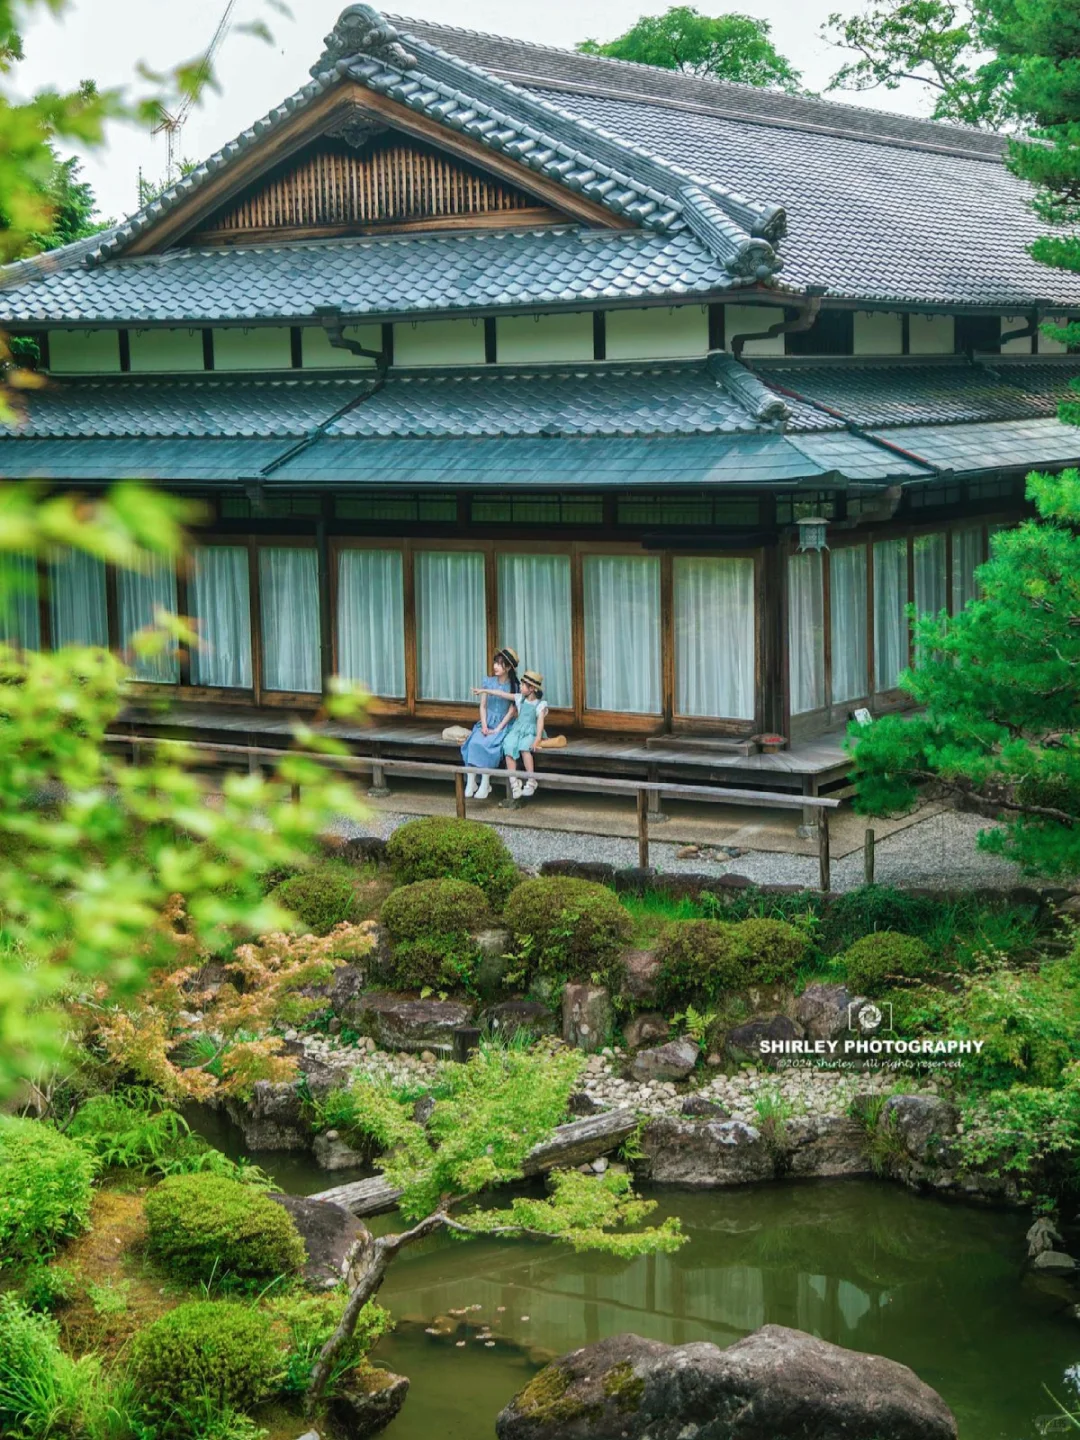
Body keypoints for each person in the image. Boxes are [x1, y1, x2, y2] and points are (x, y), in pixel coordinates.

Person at [476, 669, 547, 802]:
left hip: (530, 731)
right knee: (508, 746)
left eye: (523, 685)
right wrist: (485, 691)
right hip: (517, 730)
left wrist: (537, 738)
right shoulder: (520, 698)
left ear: (531, 688)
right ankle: (514, 781)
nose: (519, 687)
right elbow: (501, 694)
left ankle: (531, 779)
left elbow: (540, 722)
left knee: (525, 748)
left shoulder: (540, 705)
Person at [461, 646, 518, 800]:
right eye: (495, 663)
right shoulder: (488, 681)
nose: (495, 667)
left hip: (503, 724)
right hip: (487, 721)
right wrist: (485, 725)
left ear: (507, 668)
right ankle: (471, 782)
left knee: (490, 743)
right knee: (474, 742)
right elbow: (483, 705)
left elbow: (511, 712)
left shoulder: (514, 687)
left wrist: (498, 729)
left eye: (499, 664)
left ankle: (485, 782)